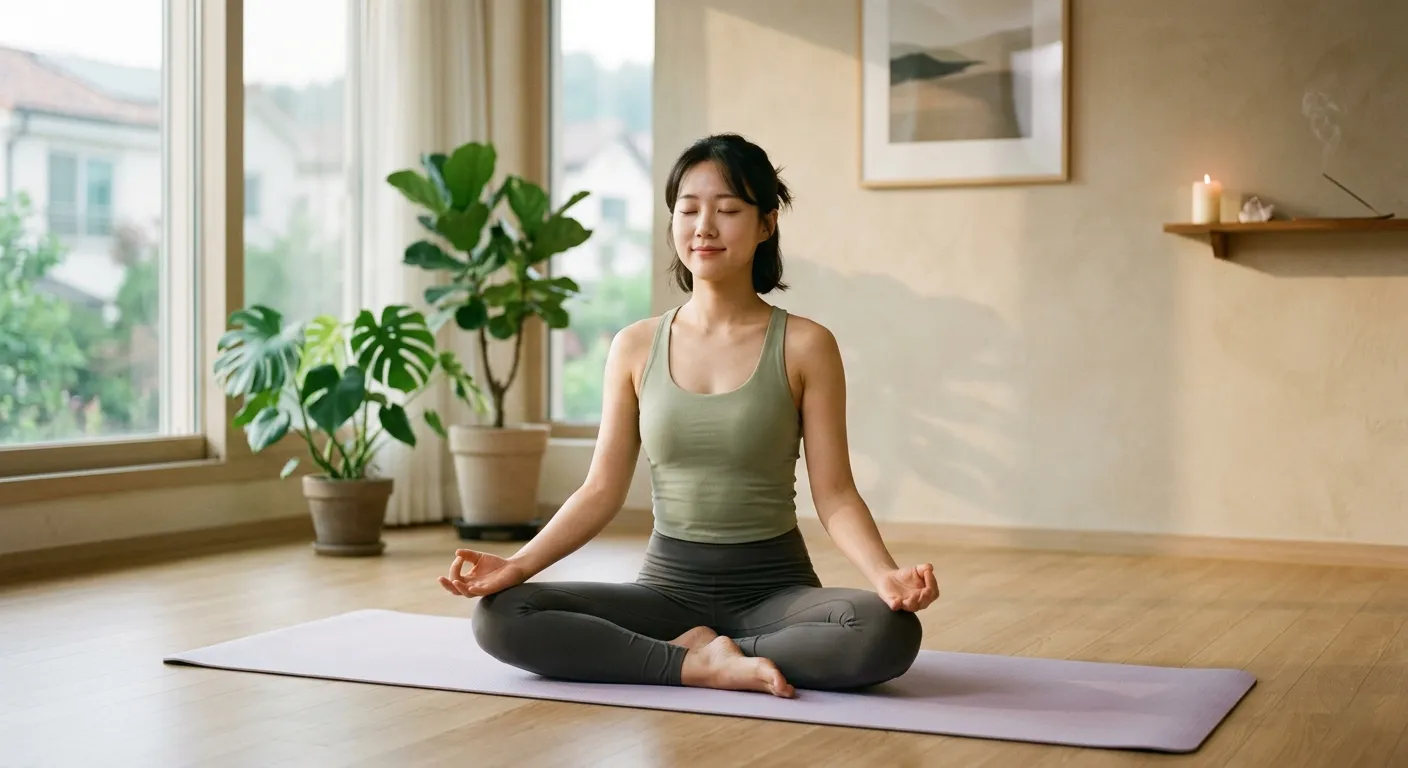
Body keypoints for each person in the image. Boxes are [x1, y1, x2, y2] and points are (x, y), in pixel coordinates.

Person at [438, 133, 940, 698]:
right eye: (689, 209)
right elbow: (601, 490)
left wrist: (884, 576)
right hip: (666, 593)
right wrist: (518, 566)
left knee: (884, 631)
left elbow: (836, 493)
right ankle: (700, 664)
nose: (705, 227)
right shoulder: (634, 346)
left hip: (775, 593)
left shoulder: (805, 345)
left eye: (728, 210)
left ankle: (708, 655)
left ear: (767, 224)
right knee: (502, 615)